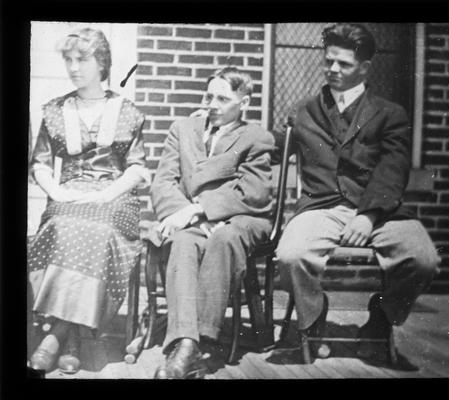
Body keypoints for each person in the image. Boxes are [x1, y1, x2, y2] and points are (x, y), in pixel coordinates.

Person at [274, 23, 440, 360]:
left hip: (380, 209)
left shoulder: (390, 114)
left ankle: (380, 318)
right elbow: (272, 148)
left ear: (364, 67)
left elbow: (393, 170)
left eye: (344, 64)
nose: (333, 69)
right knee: (290, 255)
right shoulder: (302, 110)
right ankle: (314, 314)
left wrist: (367, 216)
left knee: (423, 261)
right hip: (321, 207)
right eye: (329, 60)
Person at [28, 27, 150, 374]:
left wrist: (105, 194)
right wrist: (58, 192)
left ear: (101, 62)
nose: (73, 67)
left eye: (82, 59)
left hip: (115, 199)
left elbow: (137, 166)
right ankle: (73, 338)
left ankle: (58, 336)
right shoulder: (55, 110)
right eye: (68, 60)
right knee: (64, 224)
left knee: (97, 229)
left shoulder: (126, 111)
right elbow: (39, 163)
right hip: (68, 194)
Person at [150, 67, 274, 379]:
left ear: (243, 103)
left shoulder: (256, 137)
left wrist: (200, 210)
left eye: (223, 98)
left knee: (224, 238)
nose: (212, 105)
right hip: (192, 219)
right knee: (183, 240)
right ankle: (188, 341)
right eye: (209, 97)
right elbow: (164, 182)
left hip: (242, 218)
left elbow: (254, 193)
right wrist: (185, 213)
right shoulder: (183, 129)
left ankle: (202, 341)